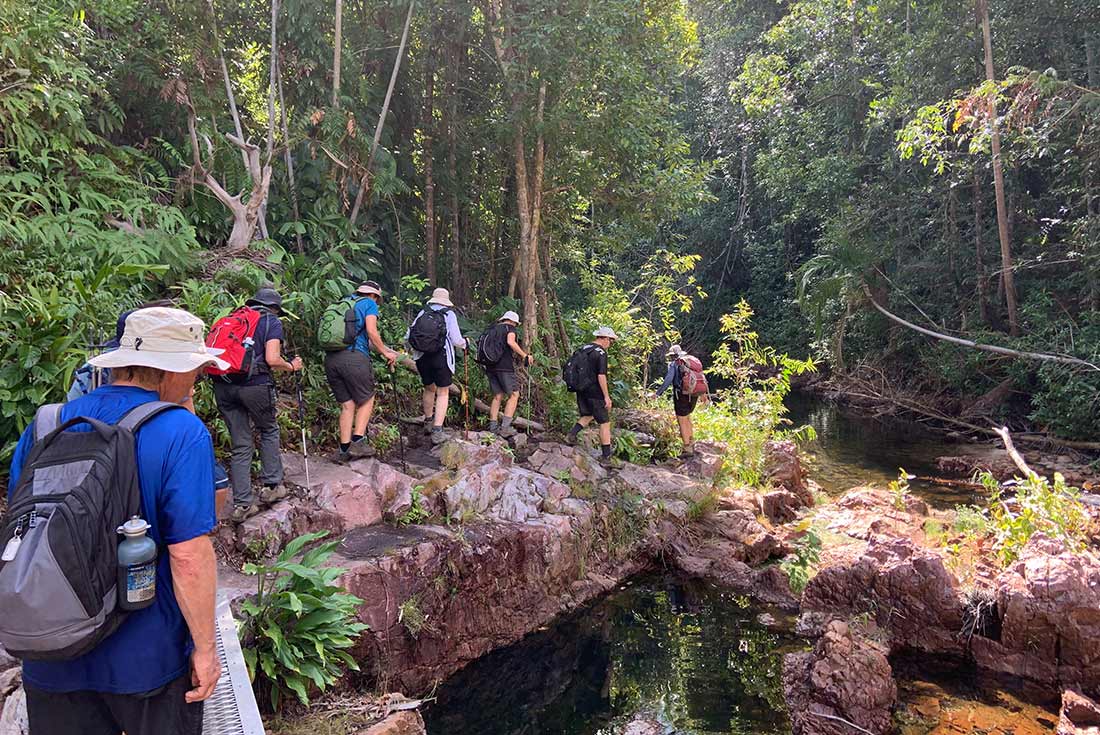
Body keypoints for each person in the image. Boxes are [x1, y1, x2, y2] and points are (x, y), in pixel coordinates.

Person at [7, 307, 224, 735]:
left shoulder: (46, 422)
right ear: (170, 371)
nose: (197, 377)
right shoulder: (181, 432)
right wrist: (205, 649)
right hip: (147, 661)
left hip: (51, 652)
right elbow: (189, 556)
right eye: (195, 368)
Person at [212, 286, 303, 521]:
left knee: (240, 444)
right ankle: (272, 486)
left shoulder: (231, 319)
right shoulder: (271, 321)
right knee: (268, 429)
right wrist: (291, 366)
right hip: (255, 386)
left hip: (223, 385)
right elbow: (272, 359)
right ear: (274, 308)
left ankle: (243, 504)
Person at [324, 280, 399, 462]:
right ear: (374, 296)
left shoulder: (342, 303)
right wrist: (386, 352)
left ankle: (343, 450)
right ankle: (358, 441)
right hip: (354, 357)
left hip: (331, 358)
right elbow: (372, 332)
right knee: (367, 398)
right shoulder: (369, 304)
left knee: (347, 405)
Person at [405, 287, 468, 444]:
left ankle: (428, 421)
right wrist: (465, 343)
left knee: (428, 388)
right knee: (443, 392)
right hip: (441, 357)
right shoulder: (449, 314)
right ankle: (437, 431)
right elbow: (456, 340)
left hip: (421, 357)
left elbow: (408, 335)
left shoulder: (423, 313)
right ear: (446, 302)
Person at [565, 326, 617, 462]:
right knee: (605, 422)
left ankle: (571, 435)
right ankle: (606, 457)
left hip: (581, 389)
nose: (611, 344)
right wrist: (606, 396)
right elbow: (601, 376)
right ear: (605, 338)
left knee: (588, 415)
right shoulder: (600, 353)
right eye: (611, 341)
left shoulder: (584, 348)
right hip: (595, 391)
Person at [482, 310, 532, 437]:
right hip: (503, 366)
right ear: (513, 322)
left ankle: (493, 427)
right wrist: (524, 355)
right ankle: (505, 427)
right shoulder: (509, 328)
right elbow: (510, 342)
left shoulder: (492, 329)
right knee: (514, 394)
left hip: (489, 365)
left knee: (497, 395)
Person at [656, 344, 703, 458]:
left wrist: (657, 393)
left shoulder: (675, 364)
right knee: (687, 418)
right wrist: (703, 394)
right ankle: (691, 444)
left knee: (681, 420)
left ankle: (687, 448)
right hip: (694, 394)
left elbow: (668, 380)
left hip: (680, 394)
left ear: (673, 355)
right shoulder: (691, 361)